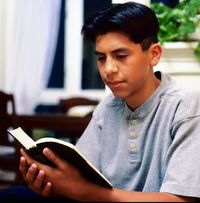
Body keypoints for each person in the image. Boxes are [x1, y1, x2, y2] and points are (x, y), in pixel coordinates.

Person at [1, 1, 200, 202]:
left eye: (120, 56)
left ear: (154, 55)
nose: (108, 69)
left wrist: (82, 191)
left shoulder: (186, 106)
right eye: (101, 58)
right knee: (13, 196)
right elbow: (81, 178)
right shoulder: (109, 106)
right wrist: (51, 183)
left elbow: (181, 200)